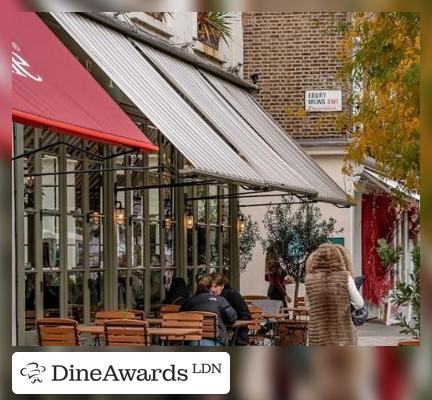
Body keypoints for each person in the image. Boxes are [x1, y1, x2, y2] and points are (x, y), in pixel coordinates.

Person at [305, 243, 364, 345]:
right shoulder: (345, 277)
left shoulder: (309, 279)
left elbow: (308, 308)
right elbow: (359, 304)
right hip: (341, 336)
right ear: (337, 257)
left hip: (318, 337)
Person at [180, 276, 237, 346]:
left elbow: (180, 319)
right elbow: (232, 318)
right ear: (211, 287)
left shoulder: (188, 301)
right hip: (216, 341)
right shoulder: (220, 300)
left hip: (192, 341)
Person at [210, 273, 252, 346]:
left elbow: (246, 317)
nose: (212, 290)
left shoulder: (233, 296)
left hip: (236, 334)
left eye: (215, 286)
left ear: (222, 286)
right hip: (213, 333)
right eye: (210, 287)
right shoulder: (207, 297)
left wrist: (232, 328)